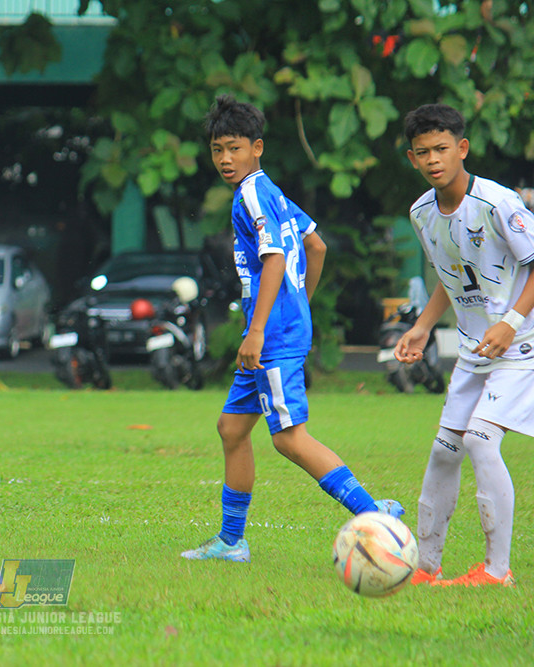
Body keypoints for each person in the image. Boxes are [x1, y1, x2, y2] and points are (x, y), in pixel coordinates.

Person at [181, 95, 403, 563]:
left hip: (271, 335)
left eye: (235, 148)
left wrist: (260, 328)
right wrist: (298, 304)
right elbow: (316, 246)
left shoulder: (251, 194)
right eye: (218, 149)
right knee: (231, 429)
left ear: (256, 147)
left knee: (288, 437)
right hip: (279, 327)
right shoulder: (272, 191)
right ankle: (231, 541)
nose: (225, 158)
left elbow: (276, 258)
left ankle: (374, 515)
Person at [398, 103, 534, 587]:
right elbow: (451, 274)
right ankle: (426, 568)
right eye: (422, 152)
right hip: (476, 351)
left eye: (441, 149)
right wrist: (422, 326)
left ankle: (497, 572)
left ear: (462, 149)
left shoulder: (498, 204)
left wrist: (512, 321)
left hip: (524, 347)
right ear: (412, 159)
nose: (433, 159)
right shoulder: (420, 213)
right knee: (443, 450)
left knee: (479, 439)